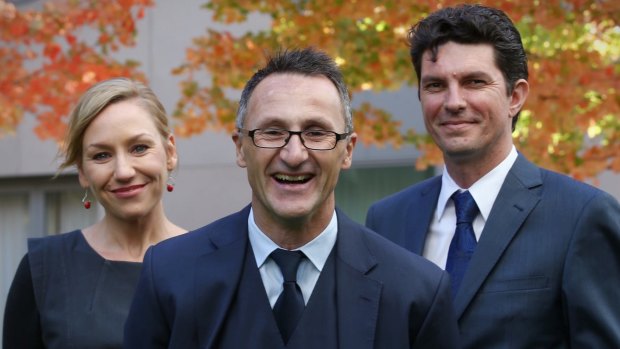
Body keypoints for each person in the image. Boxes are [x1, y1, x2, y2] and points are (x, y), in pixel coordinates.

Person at [123, 48, 459, 348]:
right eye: (272, 132)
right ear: (241, 148)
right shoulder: (169, 275)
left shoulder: (416, 293)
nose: (294, 154)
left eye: (316, 132)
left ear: (347, 151)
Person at [365, 4, 620, 348]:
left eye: (474, 82)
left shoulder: (583, 216)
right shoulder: (386, 220)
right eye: (436, 85)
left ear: (515, 97)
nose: (453, 102)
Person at [2, 78, 186, 348]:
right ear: (82, 172)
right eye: (101, 155)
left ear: (170, 152)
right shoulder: (43, 270)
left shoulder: (216, 265)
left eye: (139, 148)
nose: (123, 171)